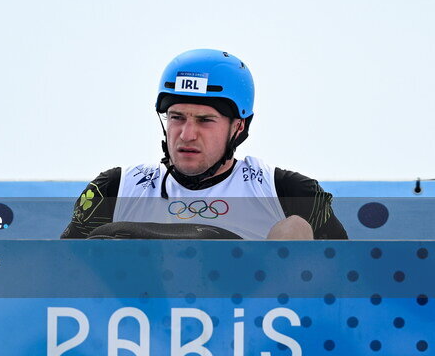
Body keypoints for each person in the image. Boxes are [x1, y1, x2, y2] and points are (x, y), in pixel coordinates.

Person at [61, 49, 347, 240]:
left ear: (238, 127)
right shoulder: (115, 188)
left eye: (205, 120)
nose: (186, 134)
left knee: (293, 230)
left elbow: (350, 283)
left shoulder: (287, 191)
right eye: (176, 117)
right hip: (134, 324)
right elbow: (56, 277)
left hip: (247, 324)